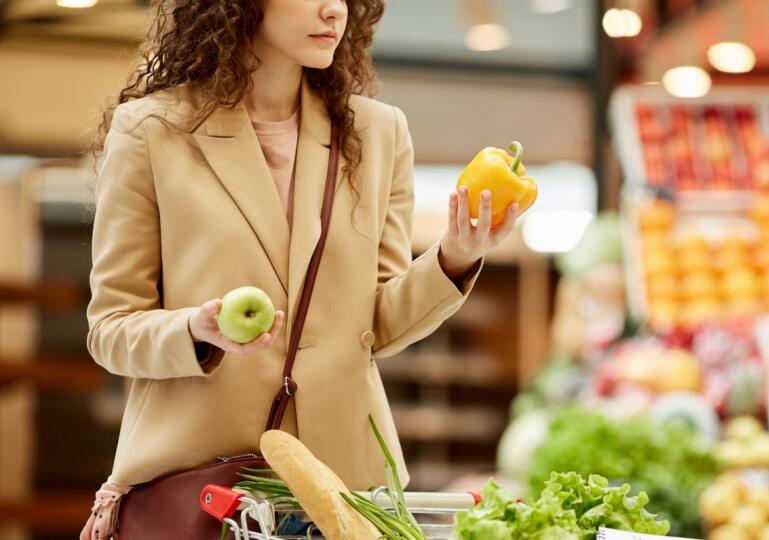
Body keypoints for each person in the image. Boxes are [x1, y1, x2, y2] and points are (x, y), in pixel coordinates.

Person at [81, 0, 519, 533]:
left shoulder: (377, 134)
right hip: (205, 488)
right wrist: (195, 330)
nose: (334, 10)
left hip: (345, 490)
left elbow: (374, 325)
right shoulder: (152, 130)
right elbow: (110, 328)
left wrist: (456, 255)